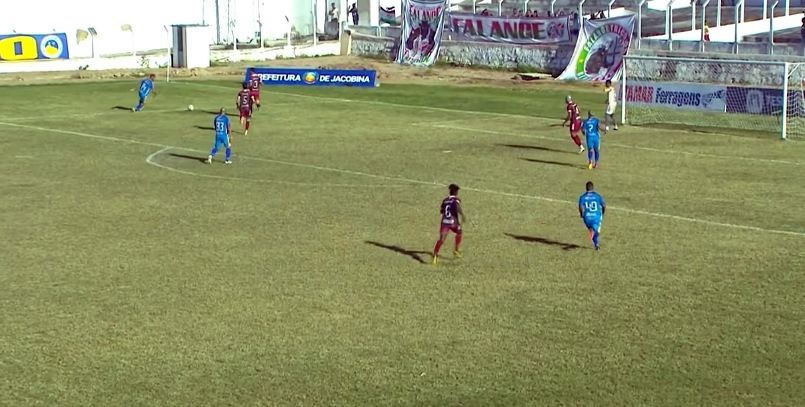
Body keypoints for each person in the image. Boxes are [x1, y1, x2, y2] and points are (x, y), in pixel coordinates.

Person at [432, 184, 466, 265]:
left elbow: (441, 211)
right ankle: (456, 250)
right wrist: (462, 215)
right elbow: (457, 207)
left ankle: (435, 256)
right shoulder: (456, 200)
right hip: (452, 222)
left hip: (445, 222)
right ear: (456, 192)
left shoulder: (445, 200)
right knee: (459, 232)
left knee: (441, 240)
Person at [578, 181, 605, 250]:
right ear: (593, 188)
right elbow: (603, 205)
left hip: (587, 218)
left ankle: (596, 243)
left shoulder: (582, 197)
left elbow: (580, 207)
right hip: (596, 217)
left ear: (586, 188)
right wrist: (603, 212)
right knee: (596, 232)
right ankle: (596, 241)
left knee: (592, 231)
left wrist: (582, 214)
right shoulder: (597, 196)